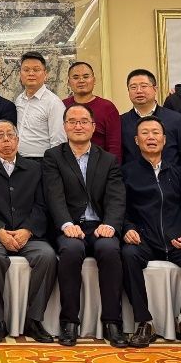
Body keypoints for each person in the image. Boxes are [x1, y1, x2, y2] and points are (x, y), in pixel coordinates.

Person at [120, 116, 181, 348]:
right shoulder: (126, 172)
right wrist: (128, 228)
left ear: (165, 139)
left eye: (156, 133)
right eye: (145, 133)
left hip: (176, 239)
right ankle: (144, 322)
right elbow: (120, 208)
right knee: (128, 256)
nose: (151, 137)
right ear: (136, 140)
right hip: (144, 239)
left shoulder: (180, 171)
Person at [43, 104, 127, 347]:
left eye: (83, 121)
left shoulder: (108, 159)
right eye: (72, 121)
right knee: (71, 251)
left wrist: (110, 224)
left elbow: (116, 197)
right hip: (70, 226)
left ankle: (112, 322)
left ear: (93, 127)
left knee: (110, 250)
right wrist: (66, 224)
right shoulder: (53, 156)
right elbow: (54, 195)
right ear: (65, 126)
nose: (78, 126)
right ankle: (69, 322)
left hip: (100, 226)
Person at [0, 120, 56, 344]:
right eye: (0, 136)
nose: (6, 140)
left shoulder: (34, 168)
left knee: (47, 256)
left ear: (18, 140)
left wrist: (27, 230)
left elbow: (42, 206)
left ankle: (34, 320)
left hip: (28, 234)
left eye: (11, 135)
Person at [119, 69, 181, 167]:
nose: (139, 91)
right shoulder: (121, 121)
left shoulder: (176, 119)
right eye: (133, 87)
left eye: (144, 86)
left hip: (171, 175)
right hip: (133, 176)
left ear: (155, 89)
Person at [63, 61, 121, 162]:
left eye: (86, 77)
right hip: (67, 164)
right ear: (68, 82)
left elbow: (114, 145)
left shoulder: (107, 107)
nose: (81, 81)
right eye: (76, 77)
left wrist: (112, 168)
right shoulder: (61, 106)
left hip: (100, 164)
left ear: (94, 80)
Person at [14, 52, 66, 158]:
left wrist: (52, 164)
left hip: (41, 160)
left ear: (45, 74)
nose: (31, 73)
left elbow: (59, 141)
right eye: (26, 70)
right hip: (17, 159)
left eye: (36, 70)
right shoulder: (19, 99)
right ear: (20, 74)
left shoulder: (53, 102)